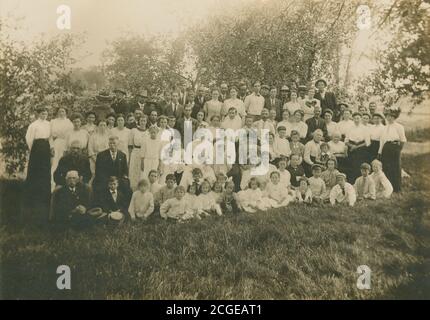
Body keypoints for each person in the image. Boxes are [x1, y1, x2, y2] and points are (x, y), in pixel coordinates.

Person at [25, 107, 52, 215]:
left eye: (45, 113)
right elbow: (29, 138)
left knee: (45, 170)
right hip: (37, 147)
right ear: (38, 114)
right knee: (35, 170)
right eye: (42, 113)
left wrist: (51, 148)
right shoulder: (33, 125)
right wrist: (34, 149)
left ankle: (44, 194)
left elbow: (50, 138)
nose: (44, 115)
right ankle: (33, 193)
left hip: (46, 146)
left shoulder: (49, 124)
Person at [378, 107, 407, 192]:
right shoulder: (384, 128)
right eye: (387, 116)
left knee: (395, 167)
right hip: (386, 148)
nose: (389, 118)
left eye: (391, 116)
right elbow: (382, 141)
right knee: (386, 167)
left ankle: (397, 188)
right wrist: (379, 152)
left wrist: (398, 149)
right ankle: (388, 188)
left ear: (394, 117)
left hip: (395, 147)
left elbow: (403, 139)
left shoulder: (399, 127)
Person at [93, 136, 129, 201]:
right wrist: (108, 181)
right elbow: (98, 171)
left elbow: (125, 171)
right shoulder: (101, 155)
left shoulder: (122, 155)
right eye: (110, 143)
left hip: (118, 179)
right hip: (105, 179)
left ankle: (123, 205)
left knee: (126, 184)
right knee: (98, 184)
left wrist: (117, 181)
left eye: (114, 143)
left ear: (118, 144)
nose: (112, 145)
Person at [345, 112, 370, 183]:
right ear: (352, 119)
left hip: (361, 148)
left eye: (358, 118)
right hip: (351, 148)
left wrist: (356, 147)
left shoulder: (365, 128)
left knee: (360, 165)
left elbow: (367, 142)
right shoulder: (349, 128)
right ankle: (351, 182)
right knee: (351, 164)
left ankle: (360, 182)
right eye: (355, 118)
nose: (356, 120)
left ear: (361, 119)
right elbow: (346, 141)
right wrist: (351, 146)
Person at [50, 107, 73, 183]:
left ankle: (65, 180)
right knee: (55, 161)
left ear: (66, 113)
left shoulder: (69, 122)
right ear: (57, 113)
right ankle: (53, 181)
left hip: (65, 143)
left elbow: (71, 135)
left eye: (63, 111)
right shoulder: (53, 122)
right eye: (60, 111)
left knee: (64, 160)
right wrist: (51, 146)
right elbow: (50, 135)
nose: (61, 113)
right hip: (56, 143)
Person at [128, 116, 148, 191]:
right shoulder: (133, 130)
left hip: (144, 154)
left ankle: (141, 190)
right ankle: (133, 191)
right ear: (138, 121)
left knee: (142, 172)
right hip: (135, 152)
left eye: (144, 121)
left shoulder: (148, 132)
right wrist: (129, 158)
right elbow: (130, 145)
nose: (143, 122)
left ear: (146, 122)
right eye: (141, 120)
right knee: (134, 172)